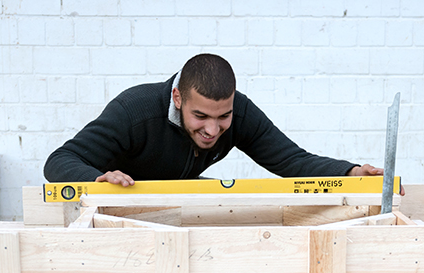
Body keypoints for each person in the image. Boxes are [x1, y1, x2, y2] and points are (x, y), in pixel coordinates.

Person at [44, 53, 400, 193]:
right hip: (122, 211)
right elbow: (58, 162)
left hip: (177, 202)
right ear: (177, 98)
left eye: (223, 117)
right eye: (200, 117)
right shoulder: (135, 112)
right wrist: (97, 179)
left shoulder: (240, 113)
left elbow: (292, 161)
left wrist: (352, 172)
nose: (213, 130)